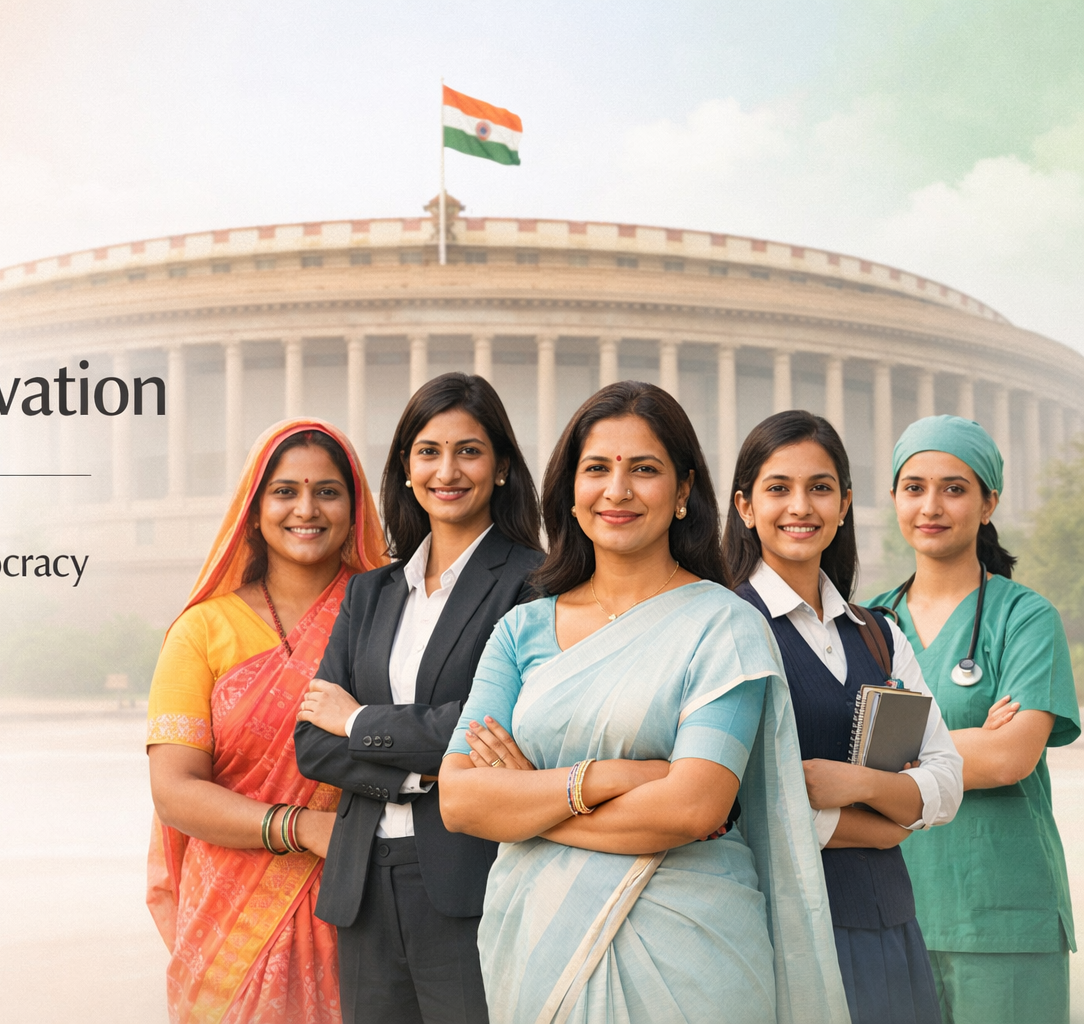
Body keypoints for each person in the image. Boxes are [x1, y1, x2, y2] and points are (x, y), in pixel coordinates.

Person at [437, 380, 849, 1024]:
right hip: (537, 944)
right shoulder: (522, 630)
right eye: (597, 468)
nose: (618, 490)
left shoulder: (725, 626)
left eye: (645, 470)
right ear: (570, 491)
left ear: (684, 492)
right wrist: (604, 779)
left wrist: (528, 803)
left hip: (691, 956)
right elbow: (459, 799)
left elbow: (692, 806)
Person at [292, 372, 544, 1024]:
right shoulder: (370, 594)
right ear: (406, 467)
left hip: (470, 878)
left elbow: (492, 725)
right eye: (428, 451)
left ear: (502, 468)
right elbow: (313, 742)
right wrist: (422, 772)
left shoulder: (534, 583)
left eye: (469, 450)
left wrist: (360, 721)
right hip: (364, 884)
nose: (447, 470)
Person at [146, 419, 389, 1024]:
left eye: (328, 491)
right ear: (253, 511)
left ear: (355, 507)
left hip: (367, 901)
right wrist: (300, 827)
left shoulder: (392, 613)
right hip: (229, 927)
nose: (306, 508)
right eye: (285, 491)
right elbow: (174, 790)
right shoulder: (202, 630)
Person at [725, 410, 962, 1024]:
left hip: (889, 928)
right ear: (745, 506)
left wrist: (859, 787)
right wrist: (887, 823)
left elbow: (947, 779)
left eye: (820, 487)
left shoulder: (879, 634)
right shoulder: (723, 628)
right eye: (778, 488)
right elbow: (736, 806)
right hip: (780, 933)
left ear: (845, 502)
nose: (800, 506)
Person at [868, 415, 1080, 1024]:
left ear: (989, 503)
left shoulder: (1025, 618)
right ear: (894, 499)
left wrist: (891, 754)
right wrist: (967, 743)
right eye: (914, 487)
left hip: (1002, 916)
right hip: (889, 909)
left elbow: (1011, 757)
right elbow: (839, 757)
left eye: (954, 488)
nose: (931, 506)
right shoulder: (866, 624)